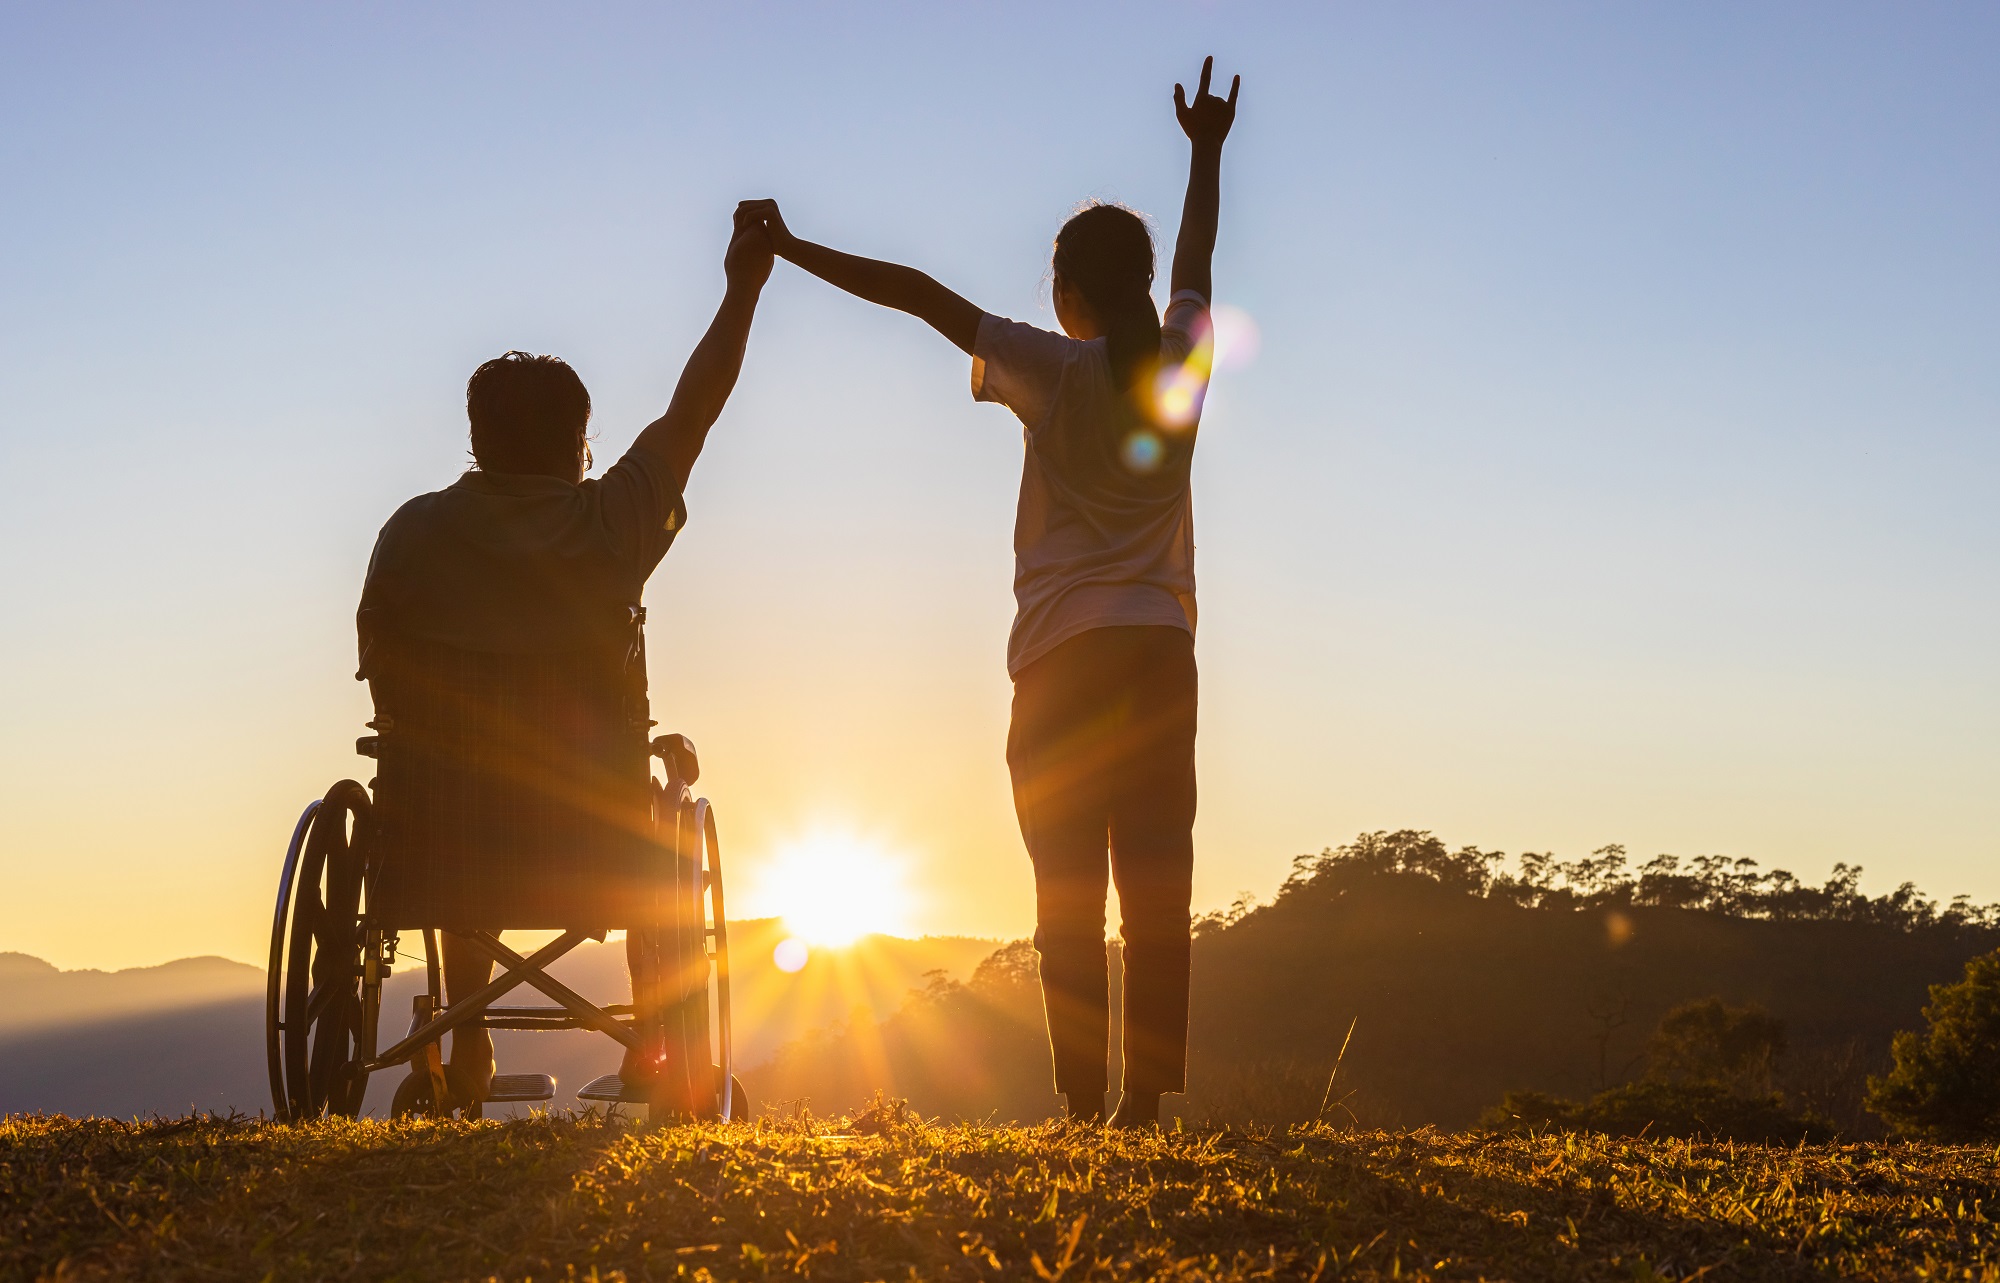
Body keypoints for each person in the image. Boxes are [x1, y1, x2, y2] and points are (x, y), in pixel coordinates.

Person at [739, 58, 1239, 1127]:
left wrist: (788, 249)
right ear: (1141, 285)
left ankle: (1078, 1100)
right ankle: (1142, 1103)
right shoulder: (1180, 360)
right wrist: (1204, 152)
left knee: (1065, 890)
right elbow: (1197, 256)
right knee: (1155, 884)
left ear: (1065, 295)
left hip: (1058, 660)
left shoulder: (1048, 368)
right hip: (1158, 653)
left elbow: (917, 294)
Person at [355, 210, 773, 1106]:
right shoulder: (609, 524)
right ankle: (649, 1049)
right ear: (580, 445)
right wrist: (743, 288)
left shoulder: (409, 534)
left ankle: (467, 1045)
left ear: (477, 440)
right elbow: (695, 410)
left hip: (442, 835)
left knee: (456, 783)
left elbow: (381, 669)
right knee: (658, 814)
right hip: (591, 833)